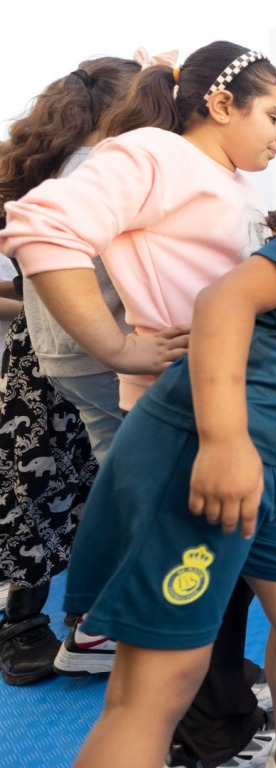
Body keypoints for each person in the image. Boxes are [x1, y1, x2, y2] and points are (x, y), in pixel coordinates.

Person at [0, 42, 276, 767]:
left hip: (258, 426)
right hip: (190, 424)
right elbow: (40, 225)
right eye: (274, 115)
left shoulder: (232, 184)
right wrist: (118, 346)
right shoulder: (155, 154)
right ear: (221, 105)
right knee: (160, 677)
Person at [0, 54, 144, 688]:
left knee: (74, 490)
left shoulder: (60, 169)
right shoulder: (89, 175)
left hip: (60, 349)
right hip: (70, 351)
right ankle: (24, 623)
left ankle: (86, 618)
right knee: (40, 491)